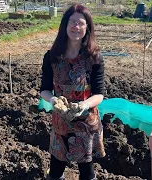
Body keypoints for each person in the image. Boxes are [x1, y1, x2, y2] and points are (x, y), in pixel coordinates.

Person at [40, 3, 106, 180]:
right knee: (55, 170)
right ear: (65, 25)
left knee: (86, 172)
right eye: (72, 22)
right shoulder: (52, 56)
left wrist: (84, 104)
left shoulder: (94, 57)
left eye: (81, 23)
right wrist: (54, 101)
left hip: (85, 122)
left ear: (87, 28)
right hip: (61, 122)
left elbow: (99, 93)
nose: (76, 27)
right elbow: (44, 89)